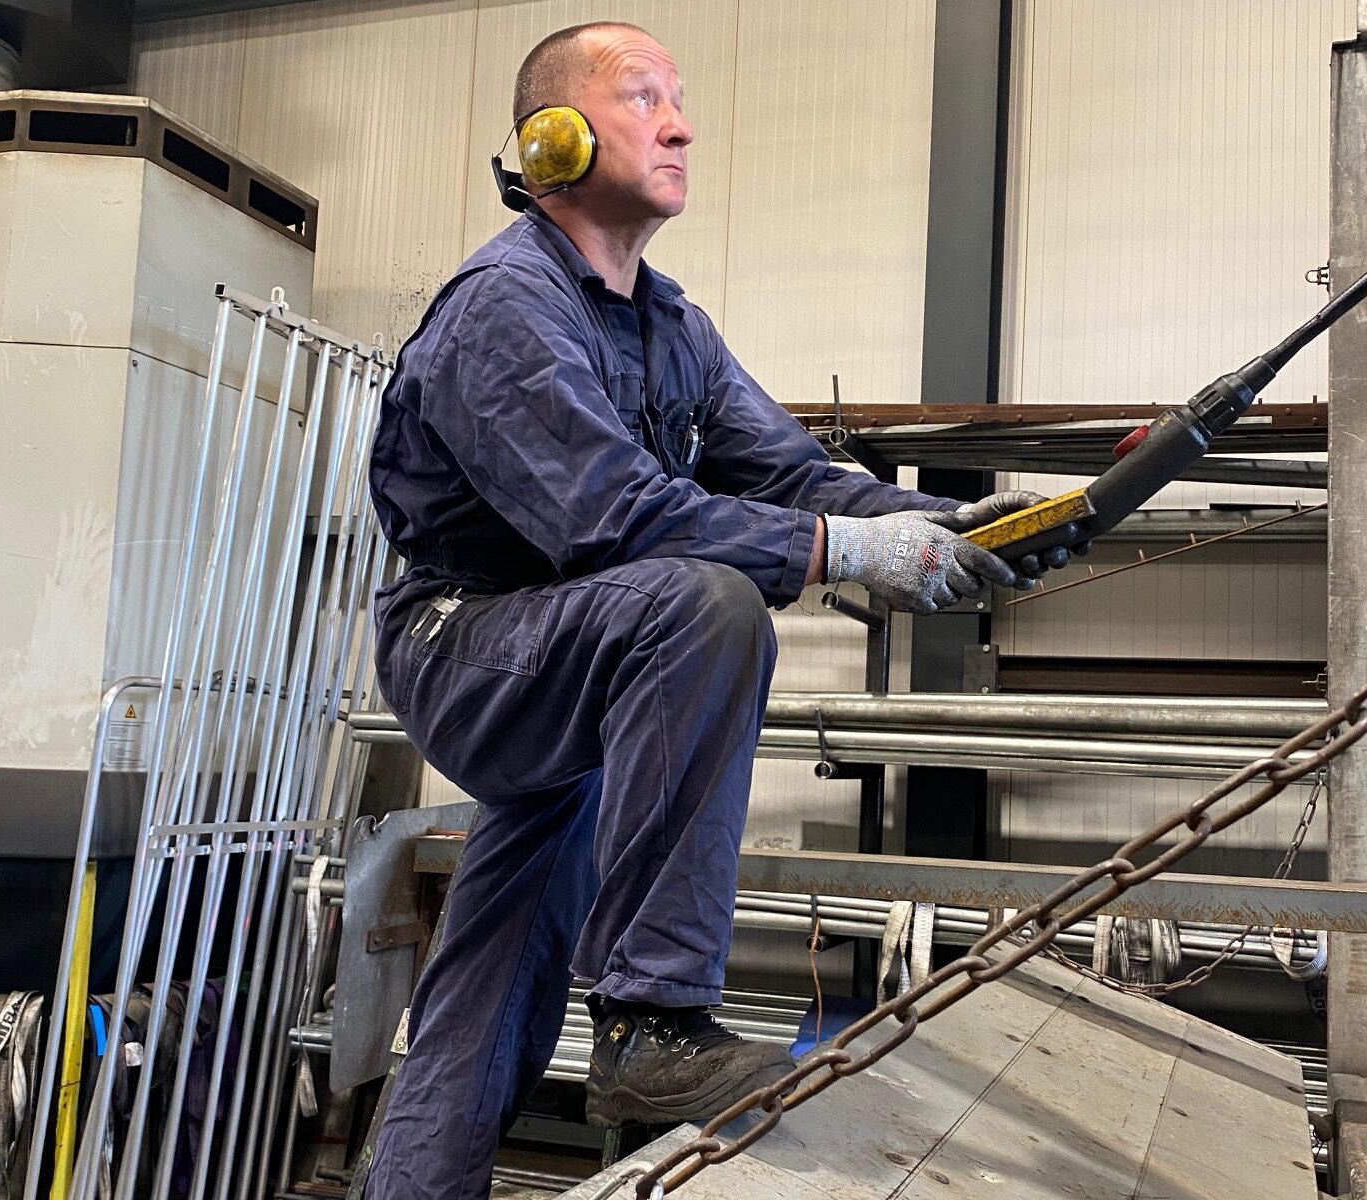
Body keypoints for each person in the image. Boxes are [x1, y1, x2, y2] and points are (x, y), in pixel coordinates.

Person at [364, 20, 1080, 1199]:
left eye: (680, 99)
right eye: (644, 97)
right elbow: (612, 518)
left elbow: (794, 478)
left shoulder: (672, 327)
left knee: (493, 979)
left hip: (580, 652)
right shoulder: (505, 306)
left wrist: (963, 527)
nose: (683, 126)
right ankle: (651, 1022)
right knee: (704, 604)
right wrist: (850, 553)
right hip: (471, 645)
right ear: (553, 139)